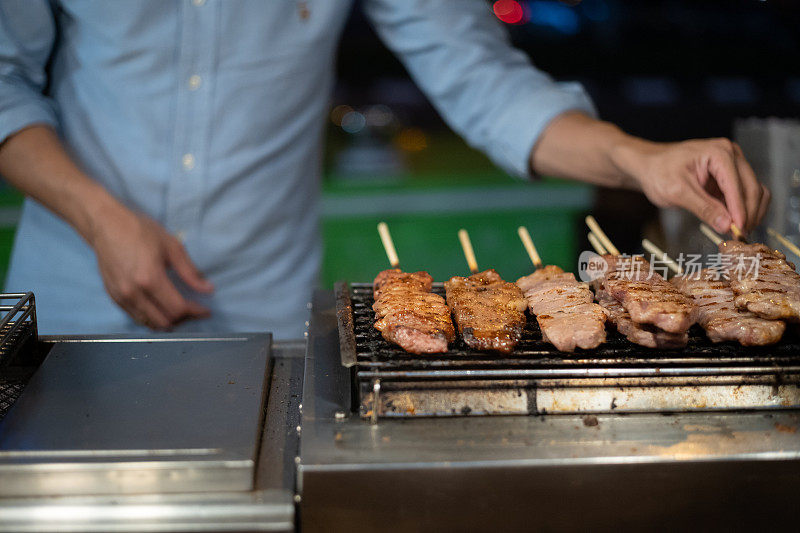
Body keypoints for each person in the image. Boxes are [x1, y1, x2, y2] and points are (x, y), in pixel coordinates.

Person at [0, 1, 769, 338]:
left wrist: (640, 157)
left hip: (263, 304)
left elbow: (482, 80)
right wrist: (99, 215)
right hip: (74, 293)